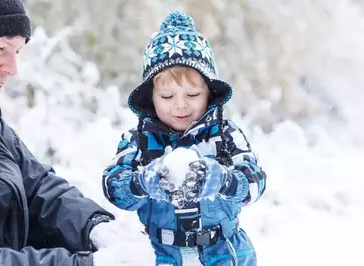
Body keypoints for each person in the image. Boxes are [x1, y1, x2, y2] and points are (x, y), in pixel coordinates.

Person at [0, 0, 140, 265]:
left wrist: (95, 228)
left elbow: (38, 186)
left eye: (17, 52)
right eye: (0, 48)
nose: (12, 68)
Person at [102, 11, 267, 266]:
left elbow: (255, 183)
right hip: (161, 255)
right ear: (151, 97)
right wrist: (142, 182)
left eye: (192, 95)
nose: (180, 106)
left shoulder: (226, 135)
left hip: (224, 254)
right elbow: (113, 188)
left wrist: (222, 179)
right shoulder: (139, 141)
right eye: (167, 97)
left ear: (209, 93)